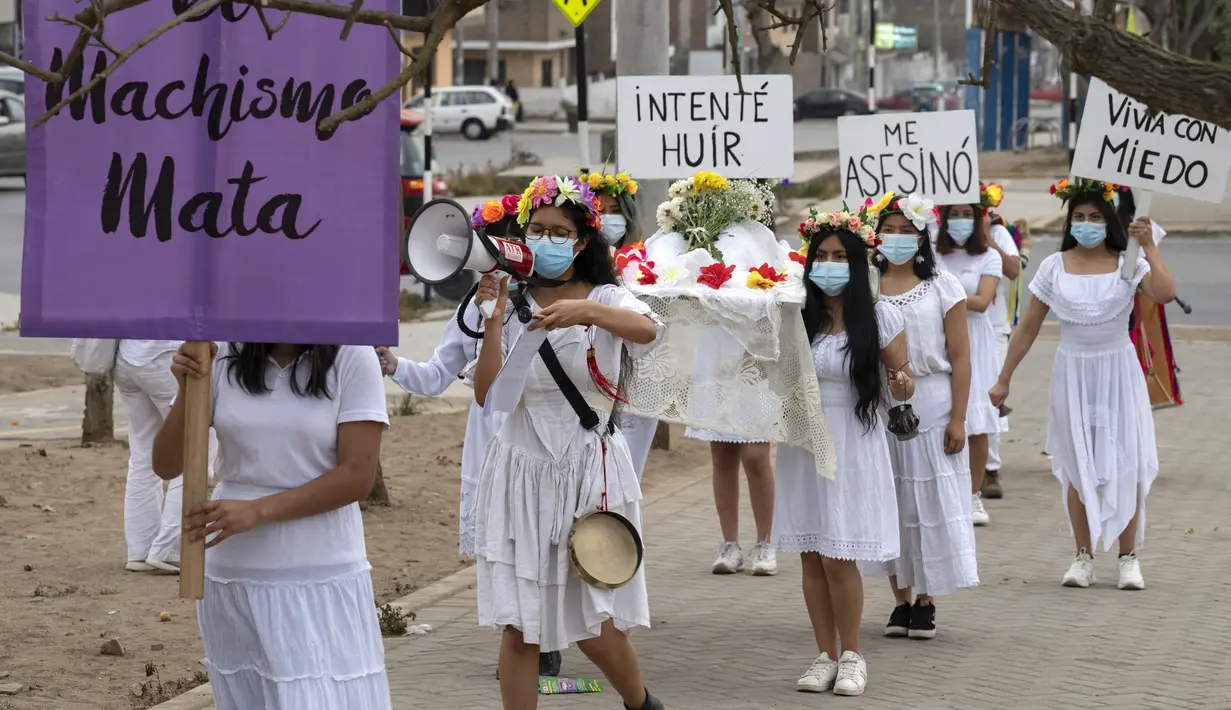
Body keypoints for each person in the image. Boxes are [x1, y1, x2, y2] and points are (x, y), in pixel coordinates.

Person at [472, 175, 665, 710]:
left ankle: (641, 703)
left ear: (581, 243)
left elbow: (649, 330)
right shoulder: (511, 303)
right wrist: (493, 320)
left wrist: (584, 312)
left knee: (590, 621)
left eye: (560, 232)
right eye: (537, 229)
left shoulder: (607, 296)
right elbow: (488, 394)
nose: (547, 240)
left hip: (588, 467)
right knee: (520, 625)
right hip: (521, 470)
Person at [377, 197, 565, 679]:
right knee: (502, 544)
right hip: (489, 439)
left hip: (539, 434)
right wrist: (395, 365)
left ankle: (542, 642)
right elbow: (439, 373)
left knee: (541, 538)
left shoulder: (547, 297)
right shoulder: (474, 307)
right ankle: (521, 641)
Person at [152, 341, 392, 709]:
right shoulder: (222, 353)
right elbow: (166, 465)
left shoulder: (352, 355)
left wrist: (256, 511)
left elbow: (357, 476)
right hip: (233, 575)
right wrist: (188, 387)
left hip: (319, 573)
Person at [990, 177, 1175, 590]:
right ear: (1069, 221)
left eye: (1095, 216)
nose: (1087, 223)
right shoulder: (1054, 267)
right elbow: (1027, 329)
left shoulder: (1129, 262)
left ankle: (1128, 557)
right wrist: (1004, 379)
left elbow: (1164, 293)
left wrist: (1148, 245)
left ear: (1108, 220)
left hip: (1118, 371)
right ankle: (1083, 555)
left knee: (1126, 460)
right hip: (1072, 372)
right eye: (1079, 216)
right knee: (1076, 464)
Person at [773, 205, 913, 697]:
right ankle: (824, 655)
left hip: (854, 440)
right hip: (804, 442)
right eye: (821, 255)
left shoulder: (879, 316)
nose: (828, 264)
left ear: (857, 264)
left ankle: (853, 655)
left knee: (838, 555)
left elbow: (902, 383)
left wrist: (899, 379)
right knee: (811, 554)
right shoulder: (793, 313)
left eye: (839, 256)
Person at [865, 193, 979, 641]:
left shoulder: (942, 286)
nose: (896, 239)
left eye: (905, 231)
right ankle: (900, 600)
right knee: (889, 497)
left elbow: (961, 355)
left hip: (932, 401)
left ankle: (927, 600)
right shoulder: (866, 285)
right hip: (879, 401)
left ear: (921, 236)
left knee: (927, 500)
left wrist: (959, 418)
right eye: (888, 230)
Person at [580, 169, 659, 479]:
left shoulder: (649, 262)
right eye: (601, 211)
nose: (609, 219)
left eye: (616, 212)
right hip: (591, 378)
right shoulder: (575, 266)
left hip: (638, 384)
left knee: (627, 476)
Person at [115, 339, 217, 574]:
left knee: (142, 455)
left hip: (129, 355)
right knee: (196, 447)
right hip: (170, 354)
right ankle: (170, 549)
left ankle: (140, 550)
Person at [933, 184, 1003, 526]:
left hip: (976, 340)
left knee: (976, 422)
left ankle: (973, 496)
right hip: (939, 338)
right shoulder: (934, 253)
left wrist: (945, 296)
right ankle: (946, 493)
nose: (960, 220)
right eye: (954, 214)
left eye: (967, 214)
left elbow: (982, 301)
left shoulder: (988, 256)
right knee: (943, 415)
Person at [982, 206, 1022, 500]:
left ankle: (989, 469)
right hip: (949, 325)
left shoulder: (997, 230)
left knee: (990, 395)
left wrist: (985, 236)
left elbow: (1013, 269)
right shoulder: (938, 233)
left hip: (993, 327)